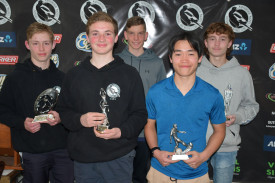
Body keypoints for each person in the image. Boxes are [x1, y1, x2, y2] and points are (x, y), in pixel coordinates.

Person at [57, 12, 147, 183]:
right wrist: (80, 120)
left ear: (115, 38)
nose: (101, 38)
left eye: (107, 33)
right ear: (87, 38)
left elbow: (140, 114)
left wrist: (121, 131)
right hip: (84, 159)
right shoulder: (74, 75)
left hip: (119, 157)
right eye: (95, 33)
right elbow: (63, 111)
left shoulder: (129, 74)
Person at [144, 32, 226, 183]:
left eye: (190, 54)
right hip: (160, 172)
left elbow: (220, 130)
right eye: (178, 54)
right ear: (170, 58)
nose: (184, 60)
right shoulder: (155, 92)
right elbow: (149, 125)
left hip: (197, 174)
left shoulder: (212, 94)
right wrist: (155, 152)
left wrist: (204, 156)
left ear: (200, 58)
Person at [0, 22, 74, 183]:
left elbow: (72, 110)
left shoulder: (63, 78)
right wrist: (21, 123)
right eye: (36, 43)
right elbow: (2, 110)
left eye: (46, 43)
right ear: (28, 45)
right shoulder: (15, 78)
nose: (41, 49)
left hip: (63, 149)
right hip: (32, 150)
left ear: (54, 44)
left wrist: (61, 117)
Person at [196, 22, 259, 183]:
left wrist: (237, 117)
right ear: (205, 43)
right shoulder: (193, 70)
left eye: (222, 39)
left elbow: (251, 106)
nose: (217, 44)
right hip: (195, 143)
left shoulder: (242, 74)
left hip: (226, 145)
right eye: (212, 39)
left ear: (230, 43)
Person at [117, 16, 166, 183]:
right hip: (121, 130)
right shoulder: (116, 61)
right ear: (125, 35)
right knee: (120, 176)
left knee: (141, 176)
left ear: (146, 35)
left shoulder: (157, 63)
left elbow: (162, 97)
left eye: (140, 33)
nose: (136, 38)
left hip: (146, 132)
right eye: (132, 33)